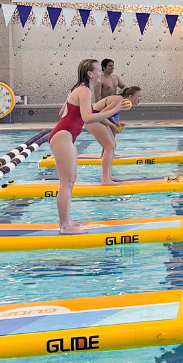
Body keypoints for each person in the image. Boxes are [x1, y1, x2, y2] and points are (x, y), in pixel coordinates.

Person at [48, 59, 125, 235]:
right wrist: (114, 110)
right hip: (63, 135)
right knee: (66, 183)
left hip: (64, 135)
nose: (101, 73)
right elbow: (88, 118)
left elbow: (63, 112)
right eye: (98, 70)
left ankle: (66, 220)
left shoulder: (79, 89)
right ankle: (64, 226)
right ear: (90, 74)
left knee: (70, 181)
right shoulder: (84, 90)